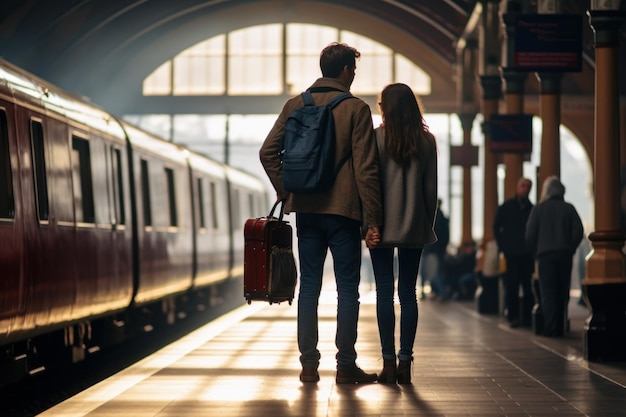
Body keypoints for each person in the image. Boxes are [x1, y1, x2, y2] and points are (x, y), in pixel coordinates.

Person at [259, 42, 383, 384]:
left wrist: (287, 191)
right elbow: (367, 170)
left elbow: (268, 152)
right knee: (347, 289)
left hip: (307, 211)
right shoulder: (356, 109)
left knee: (309, 286)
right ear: (346, 70)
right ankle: (345, 366)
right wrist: (373, 220)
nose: (354, 75)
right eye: (353, 70)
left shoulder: (296, 104)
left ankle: (309, 364)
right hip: (344, 213)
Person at [368, 83, 438, 384]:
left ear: (386, 107)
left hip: (380, 227)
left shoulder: (375, 138)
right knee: (408, 293)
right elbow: (431, 190)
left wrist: (369, 223)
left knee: (385, 290)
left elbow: (368, 183)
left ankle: (387, 363)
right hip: (414, 226)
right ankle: (406, 363)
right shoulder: (427, 141)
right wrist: (425, 224)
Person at [525, 176, 584, 337]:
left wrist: (536, 252)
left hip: (545, 256)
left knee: (548, 292)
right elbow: (579, 230)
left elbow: (530, 235)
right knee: (562, 290)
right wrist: (570, 247)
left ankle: (551, 328)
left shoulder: (538, 209)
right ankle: (561, 325)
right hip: (565, 255)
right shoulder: (569, 208)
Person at [493, 177, 535, 328]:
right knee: (512, 286)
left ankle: (527, 319)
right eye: (523, 185)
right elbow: (496, 227)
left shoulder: (532, 208)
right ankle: (513, 317)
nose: (525, 189)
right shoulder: (506, 207)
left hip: (526, 254)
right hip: (511, 254)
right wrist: (504, 246)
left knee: (527, 286)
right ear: (517, 187)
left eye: (528, 186)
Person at [419, 199, 449, 298]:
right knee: (435, 272)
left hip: (430, 250)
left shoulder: (434, 217)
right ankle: (440, 292)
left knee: (432, 273)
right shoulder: (442, 218)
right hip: (434, 250)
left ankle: (442, 293)